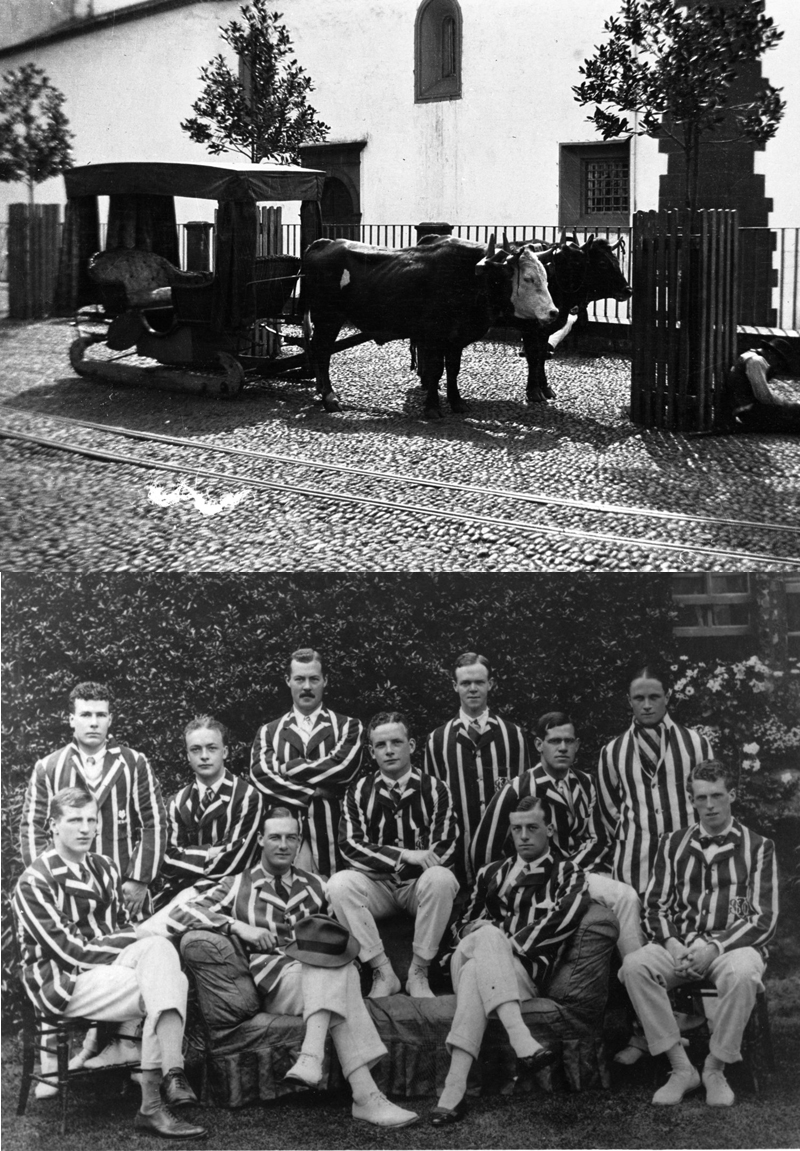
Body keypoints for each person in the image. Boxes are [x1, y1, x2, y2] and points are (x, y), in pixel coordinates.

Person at [167, 805, 418, 1129]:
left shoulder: (317, 885)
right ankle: (364, 1095)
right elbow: (179, 914)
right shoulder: (237, 884)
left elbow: (341, 938)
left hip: (318, 978)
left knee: (334, 968)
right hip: (274, 982)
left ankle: (343, 1080)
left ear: (299, 843)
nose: (283, 845)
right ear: (261, 839)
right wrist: (237, 927)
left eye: (291, 838)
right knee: (335, 973)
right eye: (275, 837)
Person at [13, 788, 206, 1140]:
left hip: (108, 967)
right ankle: (159, 1093)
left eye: (91, 819)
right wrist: (140, 935)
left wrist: (141, 936)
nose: (85, 828)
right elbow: (73, 952)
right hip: (62, 980)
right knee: (166, 979)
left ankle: (163, 1087)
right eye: (74, 820)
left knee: (160, 955)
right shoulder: (34, 881)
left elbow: (117, 928)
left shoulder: (104, 866)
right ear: (53, 826)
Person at [19, 681, 167, 1079]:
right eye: (85, 714)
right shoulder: (48, 767)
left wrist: (138, 879)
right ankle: (53, 1067)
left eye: (101, 714)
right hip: (67, 891)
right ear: (71, 720)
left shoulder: (134, 762)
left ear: (111, 719)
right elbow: (33, 826)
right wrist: (53, 880)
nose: (93, 722)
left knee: (130, 961)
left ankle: (122, 1049)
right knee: (67, 959)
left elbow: (154, 822)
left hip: (122, 891)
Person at [621, 760, 778, 1108]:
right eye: (701, 797)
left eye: (717, 795)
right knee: (634, 966)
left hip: (731, 947)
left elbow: (763, 918)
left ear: (732, 796)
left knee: (744, 972)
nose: (709, 805)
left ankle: (714, 1068)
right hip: (682, 946)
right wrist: (675, 945)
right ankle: (680, 1067)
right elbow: (654, 907)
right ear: (692, 800)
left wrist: (713, 947)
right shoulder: (673, 843)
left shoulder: (758, 847)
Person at [430, 795, 588, 1127]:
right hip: (473, 955)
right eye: (517, 829)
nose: (524, 836)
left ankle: (454, 1088)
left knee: (483, 957)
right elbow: (459, 925)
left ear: (550, 828)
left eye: (532, 827)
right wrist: (478, 929)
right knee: (485, 938)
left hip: (522, 974)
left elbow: (565, 918)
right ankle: (521, 1038)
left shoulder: (566, 872)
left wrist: (504, 944)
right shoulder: (492, 873)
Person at [597, 661, 713, 1063]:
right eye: (639, 698)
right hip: (636, 863)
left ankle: (690, 1016)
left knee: (681, 935)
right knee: (639, 948)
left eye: (654, 697)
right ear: (628, 701)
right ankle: (643, 1034)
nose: (646, 705)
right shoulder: (613, 751)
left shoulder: (695, 744)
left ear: (668, 698)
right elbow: (611, 811)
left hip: (686, 863)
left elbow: (707, 802)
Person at [472, 711, 643, 958]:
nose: (562, 748)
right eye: (554, 741)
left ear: (577, 745)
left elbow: (598, 838)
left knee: (625, 896)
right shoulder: (518, 788)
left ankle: (636, 972)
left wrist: (567, 871)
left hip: (576, 871)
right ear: (539, 744)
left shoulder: (586, 783)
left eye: (569, 741)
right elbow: (484, 849)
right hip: (532, 877)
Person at [327, 711, 460, 999]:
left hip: (417, 887)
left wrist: (386, 865)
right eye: (380, 745)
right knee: (339, 884)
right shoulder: (359, 791)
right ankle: (382, 971)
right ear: (371, 751)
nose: (389, 751)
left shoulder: (435, 789)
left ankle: (419, 972)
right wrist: (405, 856)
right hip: (380, 890)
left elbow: (445, 847)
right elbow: (350, 846)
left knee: (441, 877)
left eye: (396, 742)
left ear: (411, 745)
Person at [138, 716, 263, 936]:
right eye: (196, 750)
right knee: (138, 930)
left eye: (211, 748)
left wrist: (189, 858)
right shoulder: (177, 802)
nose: (204, 756)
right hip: (180, 891)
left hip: (230, 892)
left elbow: (235, 860)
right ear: (187, 755)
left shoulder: (247, 796)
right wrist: (208, 853)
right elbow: (166, 860)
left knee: (149, 933)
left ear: (225, 752)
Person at [250, 648, 364, 876]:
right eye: (299, 679)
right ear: (288, 681)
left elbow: (343, 769)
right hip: (287, 837)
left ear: (325, 681)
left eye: (314, 679)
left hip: (336, 834)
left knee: (337, 897)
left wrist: (287, 768)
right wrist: (313, 794)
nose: (307, 687)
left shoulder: (348, 726)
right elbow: (262, 777)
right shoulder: (269, 732)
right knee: (290, 903)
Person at [424, 652, 529, 882]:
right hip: (457, 857)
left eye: (479, 682)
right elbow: (432, 805)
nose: (473, 689)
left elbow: (525, 799)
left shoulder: (514, 735)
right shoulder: (438, 740)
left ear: (490, 684)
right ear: (455, 686)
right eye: (465, 683)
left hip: (505, 854)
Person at [718, 337, 800, 434]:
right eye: (778, 362)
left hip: (746, 408)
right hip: (746, 411)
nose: (777, 366)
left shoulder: (750, 356)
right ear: (771, 354)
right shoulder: (757, 361)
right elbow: (764, 396)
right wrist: (788, 404)